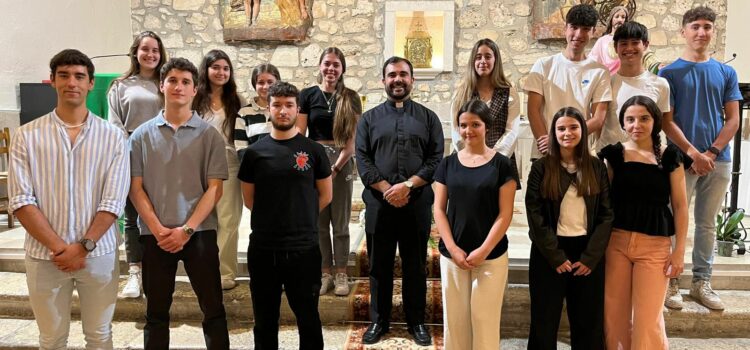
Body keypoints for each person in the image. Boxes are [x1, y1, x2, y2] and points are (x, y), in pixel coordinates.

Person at [8, 49, 130, 349]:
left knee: (100, 335)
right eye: (63, 75)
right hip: (45, 256)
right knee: (51, 339)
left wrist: (84, 246)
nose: (71, 82)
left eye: (79, 76)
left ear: (90, 84)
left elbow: (113, 199)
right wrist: (60, 248)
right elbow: (21, 200)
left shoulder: (113, 136)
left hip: (98, 254)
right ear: (52, 81)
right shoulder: (27, 136)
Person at [129, 57, 230, 349]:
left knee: (213, 309)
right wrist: (159, 230)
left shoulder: (209, 135)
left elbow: (214, 189)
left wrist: (185, 229)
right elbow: (136, 189)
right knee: (156, 312)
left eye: (186, 82)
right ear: (162, 86)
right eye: (172, 80)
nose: (179, 87)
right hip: (154, 235)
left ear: (195, 89)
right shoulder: (140, 136)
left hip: (198, 233)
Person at [355, 57, 444, 346]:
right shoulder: (368, 119)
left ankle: (415, 320)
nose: (397, 79)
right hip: (380, 205)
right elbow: (363, 160)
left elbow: (435, 159)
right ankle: (379, 320)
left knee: (415, 265)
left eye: (403, 74)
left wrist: (407, 186)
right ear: (383, 80)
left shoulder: (428, 118)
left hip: (416, 203)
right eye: (392, 75)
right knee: (379, 265)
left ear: (412, 80)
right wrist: (387, 189)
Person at [658, 6, 742, 311]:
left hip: (718, 160)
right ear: (684, 31)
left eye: (707, 26)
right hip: (681, 159)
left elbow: (732, 119)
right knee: (675, 221)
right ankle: (671, 282)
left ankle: (701, 282)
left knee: (706, 224)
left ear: (713, 32)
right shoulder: (668, 73)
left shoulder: (725, 72)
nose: (701, 32)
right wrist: (693, 153)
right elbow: (667, 121)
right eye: (695, 26)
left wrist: (711, 152)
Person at [238, 81, 332, 349]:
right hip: (264, 250)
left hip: (304, 249)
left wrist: (300, 216)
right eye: (277, 105)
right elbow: (249, 200)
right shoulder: (254, 153)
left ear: (297, 108)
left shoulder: (313, 151)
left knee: (308, 319)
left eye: (289, 105)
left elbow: (325, 195)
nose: (283, 111)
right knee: (265, 321)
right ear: (268, 108)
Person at [600, 96, 689, 349]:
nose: (636, 124)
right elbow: (604, 203)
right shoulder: (614, 155)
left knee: (647, 319)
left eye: (644, 118)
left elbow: (681, 206)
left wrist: (679, 250)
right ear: (623, 123)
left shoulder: (671, 157)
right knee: (614, 315)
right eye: (630, 119)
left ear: (655, 121)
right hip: (616, 243)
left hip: (655, 247)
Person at [525, 107, 613, 350]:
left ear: (583, 131)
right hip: (549, 253)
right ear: (553, 133)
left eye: (573, 127)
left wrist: (591, 257)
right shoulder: (541, 168)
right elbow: (535, 215)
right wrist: (555, 256)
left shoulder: (596, 167)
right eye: (561, 128)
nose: (567, 133)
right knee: (544, 322)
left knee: (588, 323)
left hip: (587, 253)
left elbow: (606, 215)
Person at [434, 100, 517, 350]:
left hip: (490, 256)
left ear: (487, 127)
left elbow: (505, 214)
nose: (468, 130)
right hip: (453, 256)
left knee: (484, 322)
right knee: (455, 323)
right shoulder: (448, 163)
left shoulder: (502, 164)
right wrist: (453, 248)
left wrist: (483, 250)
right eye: (463, 125)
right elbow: (438, 209)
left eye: (475, 124)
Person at [298, 47, 362, 296]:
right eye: (327, 64)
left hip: (342, 161)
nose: (331, 69)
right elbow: (301, 136)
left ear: (342, 69)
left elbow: (353, 141)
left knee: (341, 221)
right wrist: (310, 167)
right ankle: (325, 272)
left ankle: (342, 273)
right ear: (320, 66)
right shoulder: (308, 95)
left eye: (336, 64)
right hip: (314, 160)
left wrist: (335, 167)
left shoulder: (351, 97)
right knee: (319, 222)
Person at [107, 30, 166, 299]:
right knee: (132, 217)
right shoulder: (121, 85)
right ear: (136, 52)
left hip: (163, 154)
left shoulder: (167, 83)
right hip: (131, 153)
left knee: (159, 213)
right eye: (146, 49)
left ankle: (158, 268)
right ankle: (134, 272)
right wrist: (128, 150)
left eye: (155, 50)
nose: (150, 54)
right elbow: (114, 125)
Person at [524, 4, 611, 157]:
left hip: (579, 152)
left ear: (593, 32)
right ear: (565, 28)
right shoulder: (543, 65)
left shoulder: (599, 72)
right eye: (574, 27)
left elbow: (598, 118)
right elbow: (533, 110)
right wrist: (548, 142)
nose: (578, 34)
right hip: (545, 152)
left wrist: (563, 139)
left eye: (585, 29)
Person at [193, 49, 244, 290]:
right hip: (199, 162)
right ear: (207, 70)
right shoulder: (195, 98)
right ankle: (203, 269)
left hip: (229, 161)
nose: (221, 72)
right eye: (216, 67)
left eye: (226, 68)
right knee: (203, 219)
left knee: (229, 218)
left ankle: (225, 272)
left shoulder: (237, 100)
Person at [451, 38, 521, 184]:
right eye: (478, 57)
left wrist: (493, 160)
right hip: (465, 162)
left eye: (488, 56)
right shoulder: (462, 92)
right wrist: (471, 159)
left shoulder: (509, 93)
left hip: (499, 163)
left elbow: (511, 132)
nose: (483, 61)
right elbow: (456, 129)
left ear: (495, 60)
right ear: (473, 62)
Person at [595, 21, 671, 152]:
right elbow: (598, 124)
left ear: (646, 45)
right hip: (611, 157)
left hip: (646, 157)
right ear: (615, 47)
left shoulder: (660, 84)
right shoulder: (605, 83)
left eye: (635, 42)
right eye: (624, 43)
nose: (629, 48)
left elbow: (664, 123)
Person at [238, 63, 280, 148]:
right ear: (254, 85)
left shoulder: (286, 110)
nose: (266, 87)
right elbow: (241, 148)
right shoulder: (243, 114)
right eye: (261, 82)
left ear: (278, 83)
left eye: (270, 82)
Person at [589, 6, 628, 75]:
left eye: (623, 17)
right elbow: (592, 60)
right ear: (611, 19)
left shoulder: (629, 40)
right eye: (617, 16)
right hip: (606, 78)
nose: (620, 20)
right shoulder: (602, 41)